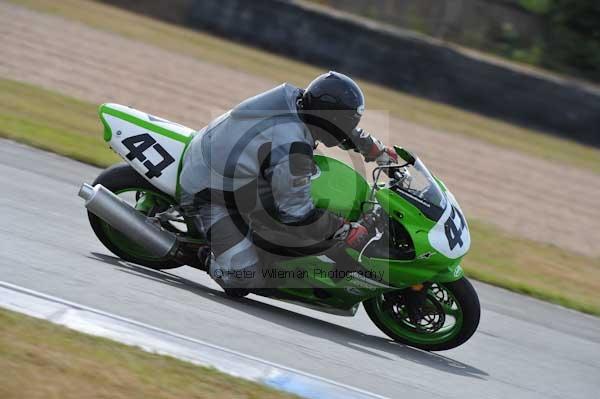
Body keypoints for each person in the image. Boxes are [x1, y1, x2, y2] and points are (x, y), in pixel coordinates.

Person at [179, 71, 397, 289]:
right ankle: (208, 255)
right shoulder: (291, 146)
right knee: (244, 279)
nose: (346, 129)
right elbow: (295, 212)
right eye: (346, 123)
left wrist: (373, 148)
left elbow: (332, 122)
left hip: (228, 162)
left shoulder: (297, 100)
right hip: (210, 191)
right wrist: (344, 230)